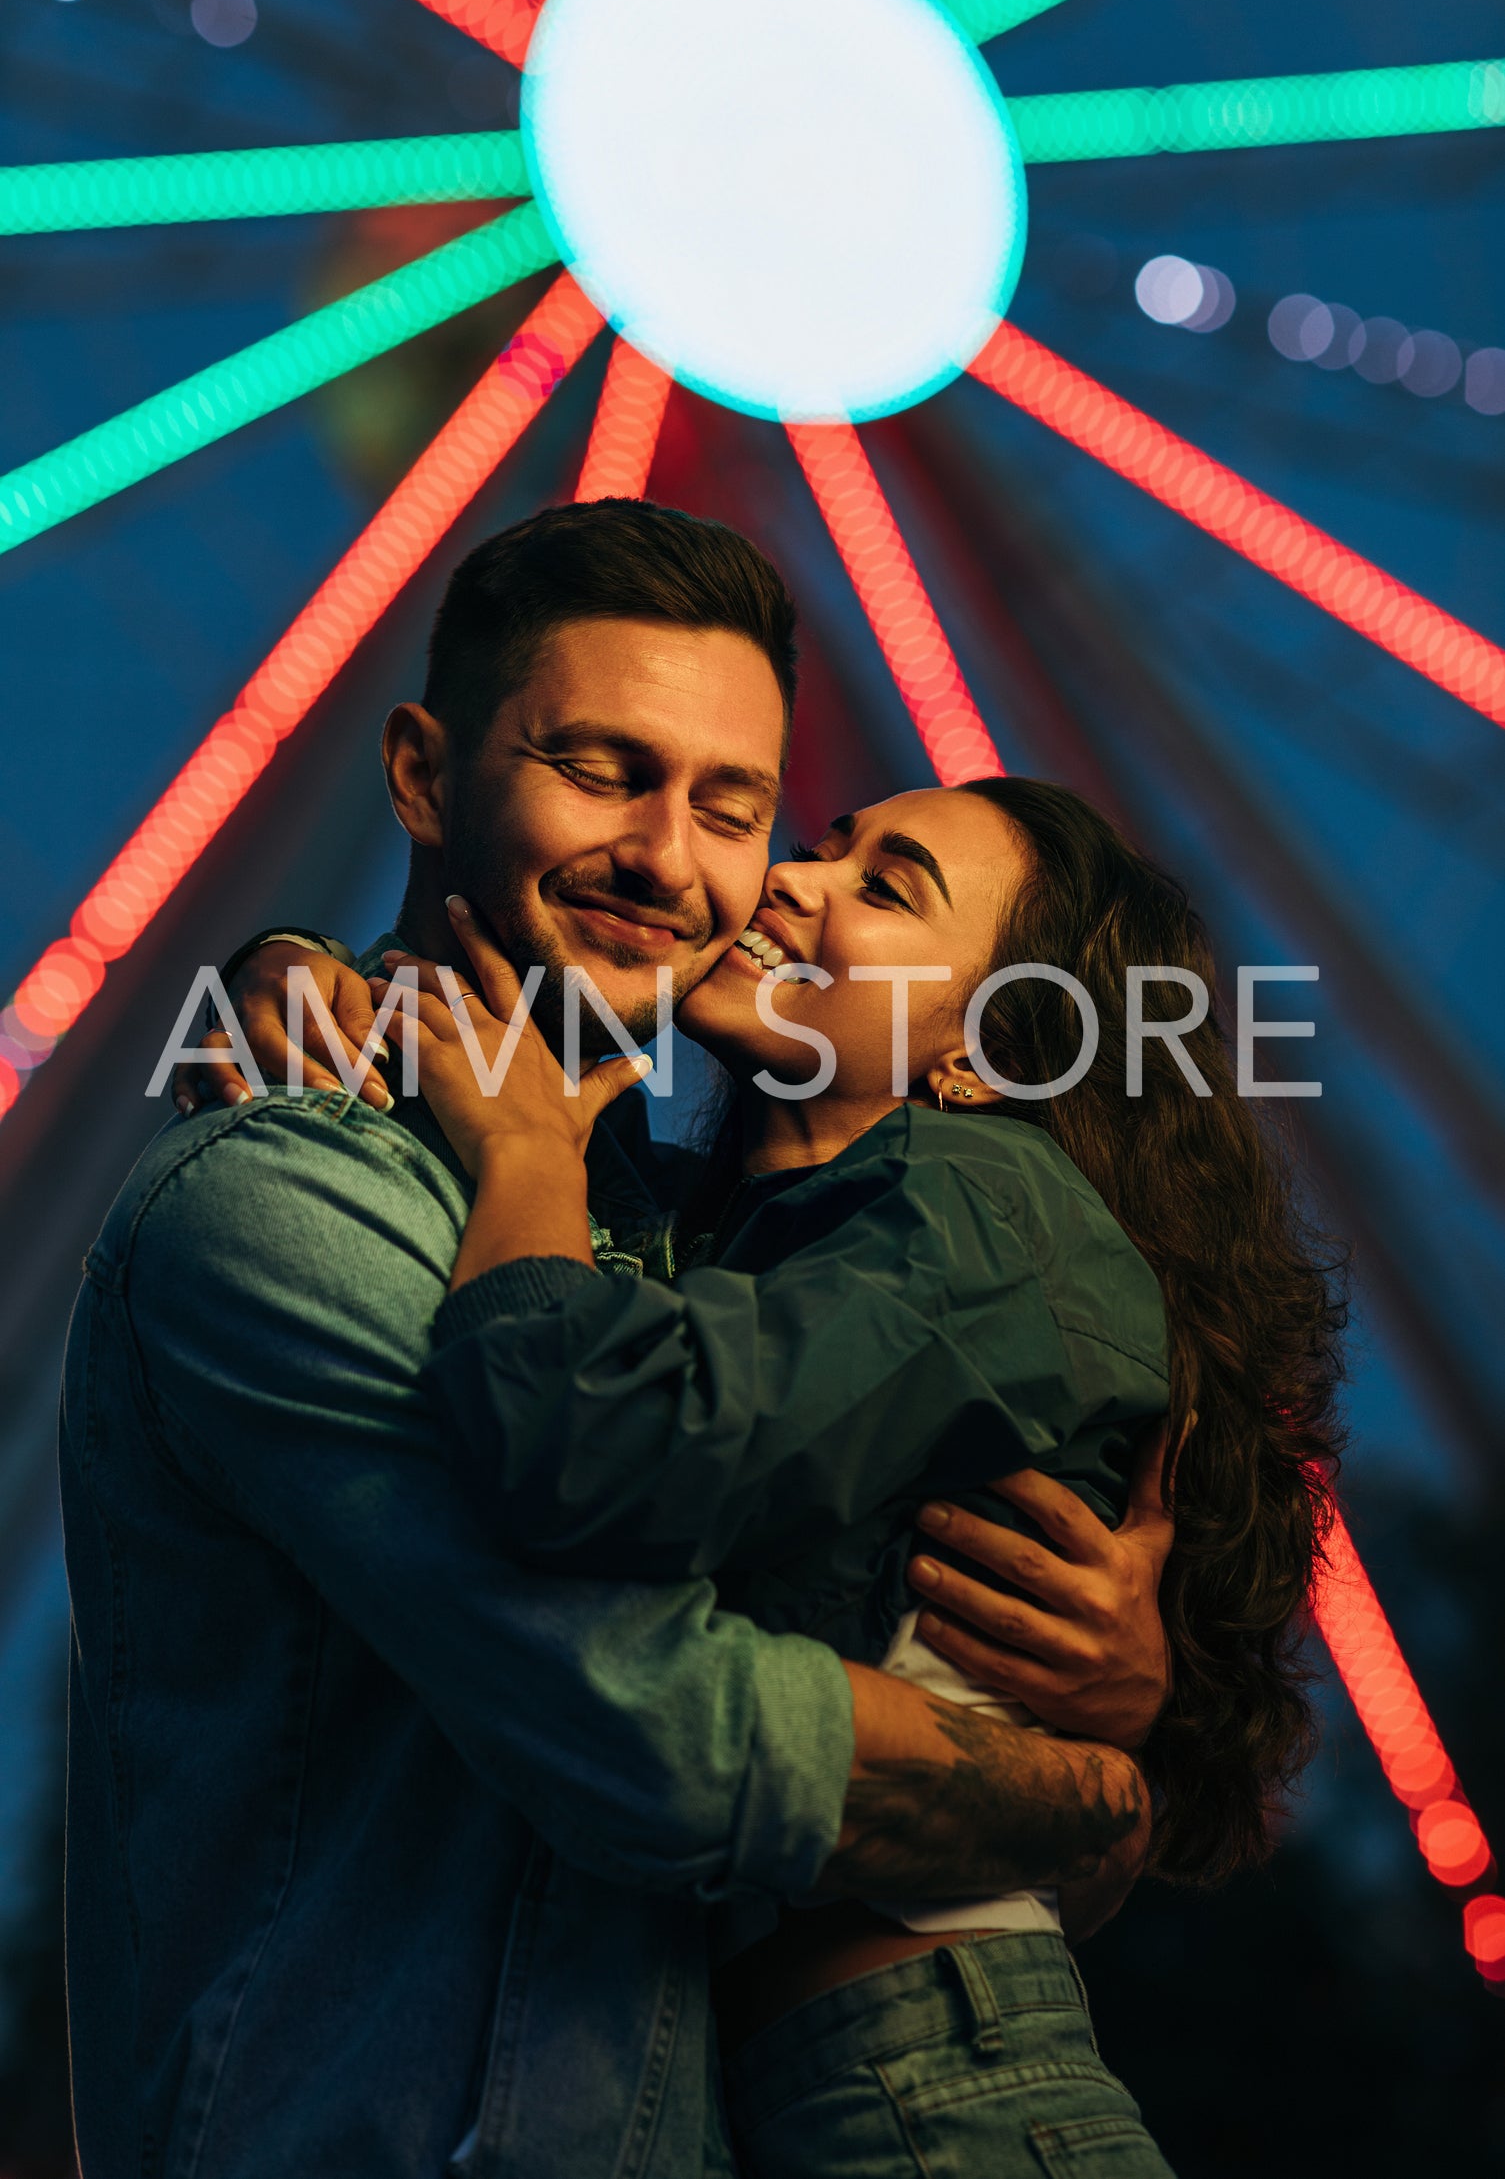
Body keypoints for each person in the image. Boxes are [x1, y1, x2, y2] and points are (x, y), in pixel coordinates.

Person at [66, 501, 1170, 2179]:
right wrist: (1085, 1794)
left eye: (733, 805)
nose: (683, 860)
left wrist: (1123, 1674)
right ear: (425, 774)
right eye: (602, 768)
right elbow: (659, 1729)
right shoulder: (277, 1196)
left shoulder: (677, 1228)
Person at [233, 773, 1344, 2177]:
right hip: (780, 2087)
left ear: (982, 1052)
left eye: (884, 887)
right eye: (821, 845)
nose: (787, 878)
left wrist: (521, 1147)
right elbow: (466, 1033)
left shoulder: (981, 1209)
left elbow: (590, 1450)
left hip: (935, 2087)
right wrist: (281, 970)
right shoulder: (744, 1241)